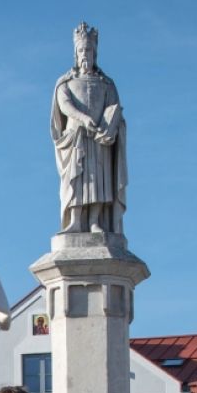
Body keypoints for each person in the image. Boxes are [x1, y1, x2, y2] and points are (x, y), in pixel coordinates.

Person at [52, 20, 127, 236]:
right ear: (76, 53)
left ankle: (95, 221)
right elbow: (64, 105)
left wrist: (111, 124)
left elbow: (114, 107)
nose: (85, 53)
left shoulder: (106, 84)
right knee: (76, 180)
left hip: (99, 140)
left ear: (95, 53)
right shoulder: (65, 83)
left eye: (89, 50)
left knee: (99, 182)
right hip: (76, 138)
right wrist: (83, 118)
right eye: (82, 49)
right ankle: (75, 220)